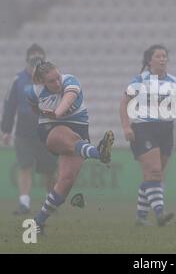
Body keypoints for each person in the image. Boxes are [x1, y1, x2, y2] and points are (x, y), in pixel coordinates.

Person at [25, 60, 115, 234]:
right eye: (51, 81)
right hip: (50, 128)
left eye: (58, 78)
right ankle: (98, 152)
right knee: (64, 134)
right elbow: (32, 105)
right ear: (42, 82)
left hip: (77, 126)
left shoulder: (71, 81)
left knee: (66, 180)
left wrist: (57, 112)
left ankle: (38, 222)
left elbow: (68, 99)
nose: (57, 83)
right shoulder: (34, 91)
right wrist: (44, 114)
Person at [120, 44, 176, 226]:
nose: (163, 59)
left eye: (164, 56)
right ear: (149, 61)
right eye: (158, 56)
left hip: (166, 130)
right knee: (155, 172)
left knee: (154, 175)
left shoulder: (174, 81)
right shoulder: (139, 80)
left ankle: (140, 217)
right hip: (144, 129)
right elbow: (124, 103)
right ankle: (160, 213)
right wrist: (126, 127)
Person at [1, 44, 57, 215]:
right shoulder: (18, 80)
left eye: (40, 58)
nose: (36, 61)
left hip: (45, 130)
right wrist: (6, 130)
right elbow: (10, 105)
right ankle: (24, 203)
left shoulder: (52, 79)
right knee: (25, 166)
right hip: (24, 131)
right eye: (33, 58)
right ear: (27, 59)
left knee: (49, 170)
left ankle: (50, 202)